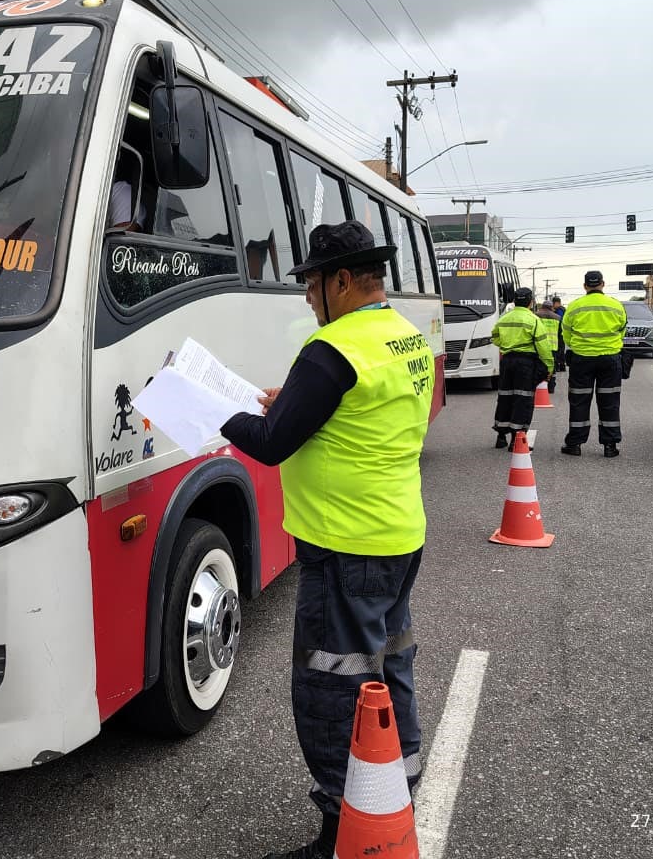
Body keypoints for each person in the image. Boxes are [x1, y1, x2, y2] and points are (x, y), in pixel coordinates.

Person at [219, 220, 433, 859]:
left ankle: (346, 827)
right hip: (397, 536)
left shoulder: (331, 349)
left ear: (341, 281)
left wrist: (211, 408)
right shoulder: (404, 338)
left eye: (312, 283)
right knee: (389, 664)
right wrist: (296, 402)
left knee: (335, 685)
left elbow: (270, 442)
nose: (308, 297)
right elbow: (359, 411)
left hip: (345, 549)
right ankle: (398, 787)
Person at [561, 271, 628, 457]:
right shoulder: (616, 305)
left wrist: (575, 347)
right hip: (610, 359)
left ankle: (574, 444)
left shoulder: (575, 306)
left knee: (579, 402)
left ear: (585, 286)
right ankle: (610, 446)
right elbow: (622, 331)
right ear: (603, 284)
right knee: (610, 402)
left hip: (581, 359)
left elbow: (566, 333)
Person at [489, 288, 555, 449]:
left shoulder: (504, 318)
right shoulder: (533, 320)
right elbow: (543, 347)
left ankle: (501, 436)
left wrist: (507, 345)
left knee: (505, 396)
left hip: (507, 360)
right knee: (522, 399)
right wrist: (549, 367)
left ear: (514, 301)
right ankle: (516, 440)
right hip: (525, 363)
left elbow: (494, 337)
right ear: (531, 302)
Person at [537, 301, 566, 393]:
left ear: (542, 307)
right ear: (551, 308)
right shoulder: (558, 317)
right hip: (553, 346)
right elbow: (561, 334)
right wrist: (561, 350)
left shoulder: (536, 316)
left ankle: (539, 385)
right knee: (551, 367)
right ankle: (551, 387)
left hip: (539, 345)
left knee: (538, 366)